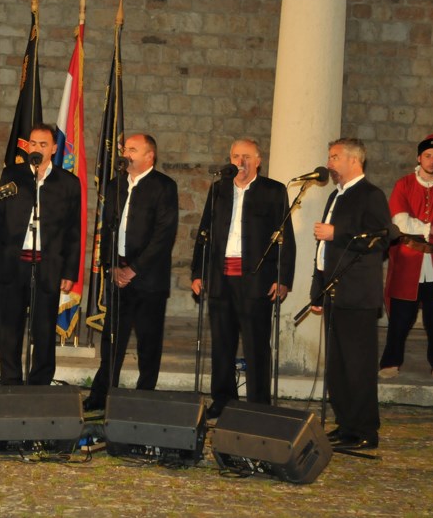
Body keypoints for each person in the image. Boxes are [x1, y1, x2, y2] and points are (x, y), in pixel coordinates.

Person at [190, 137, 295, 419]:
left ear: (258, 161)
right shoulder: (219, 189)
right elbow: (204, 232)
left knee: (255, 345)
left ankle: (258, 405)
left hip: (256, 280)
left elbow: (286, 238)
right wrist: (198, 273)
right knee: (222, 343)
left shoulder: (273, 191)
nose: (240, 162)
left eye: (246, 156)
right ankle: (223, 399)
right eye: (236, 156)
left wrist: (283, 278)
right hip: (221, 277)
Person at [82, 134, 178, 411]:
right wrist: (112, 265)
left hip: (149, 278)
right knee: (112, 339)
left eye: (133, 149)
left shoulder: (164, 186)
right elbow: (106, 229)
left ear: (150, 156)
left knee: (148, 342)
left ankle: (144, 397)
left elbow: (163, 234)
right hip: (117, 274)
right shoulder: (115, 185)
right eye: (125, 148)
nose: (126, 153)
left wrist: (133, 269)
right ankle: (101, 395)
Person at [0, 123, 80, 385]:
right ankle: (10, 382)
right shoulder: (12, 175)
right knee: (9, 329)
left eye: (43, 144)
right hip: (13, 264)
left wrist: (70, 271)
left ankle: (39, 385)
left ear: (54, 149)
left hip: (47, 267)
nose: (37, 148)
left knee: (44, 330)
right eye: (33, 144)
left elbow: (73, 231)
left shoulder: (68, 183)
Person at [310, 137, 391, 451]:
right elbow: (323, 251)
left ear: (354, 160)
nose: (329, 163)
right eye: (329, 157)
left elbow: (381, 238)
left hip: (357, 296)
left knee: (358, 366)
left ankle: (366, 431)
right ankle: (346, 425)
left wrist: (337, 233)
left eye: (334, 157)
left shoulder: (371, 195)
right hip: (334, 292)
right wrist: (317, 290)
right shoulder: (336, 195)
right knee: (338, 366)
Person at [380, 134, 433, 381]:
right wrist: (431, 228)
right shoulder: (404, 184)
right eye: (427, 156)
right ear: (419, 158)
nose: (432, 160)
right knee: (401, 317)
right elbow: (399, 221)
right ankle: (391, 361)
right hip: (408, 261)